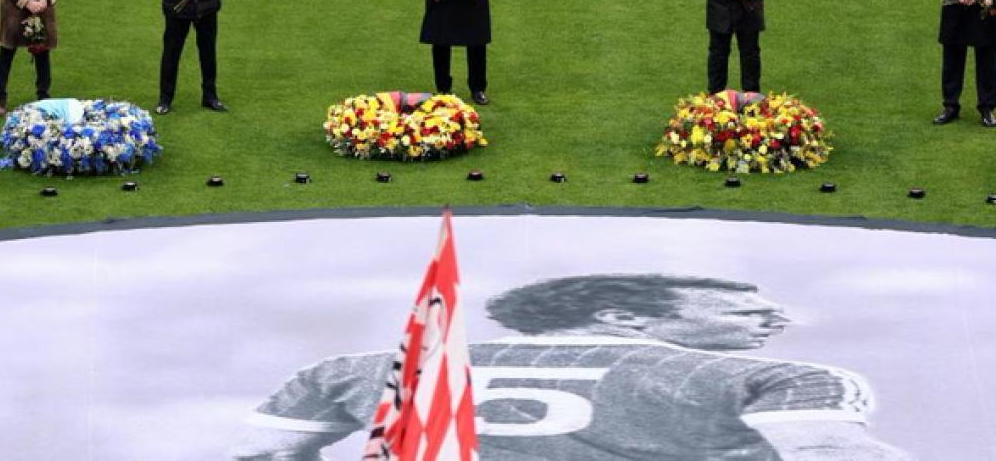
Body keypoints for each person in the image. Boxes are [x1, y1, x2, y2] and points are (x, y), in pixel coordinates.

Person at [231, 274, 911, 460]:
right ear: (623, 316)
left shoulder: (364, 368)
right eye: (743, 311)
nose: (773, 321)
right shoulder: (777, 381)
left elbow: (253, 458)